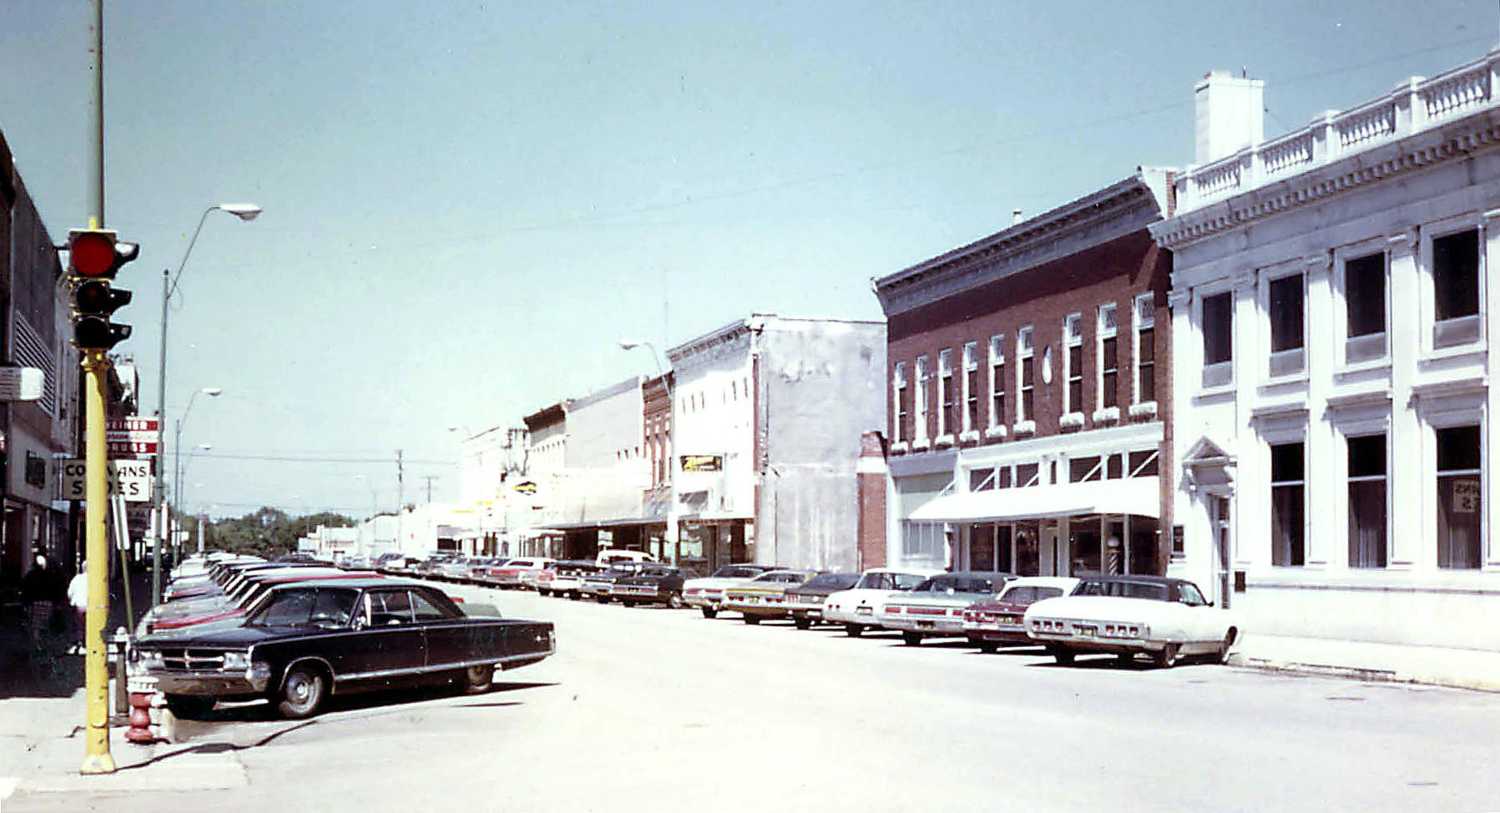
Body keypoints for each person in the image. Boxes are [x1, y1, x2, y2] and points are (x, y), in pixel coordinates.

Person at [21, 554, 56, 647]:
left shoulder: (30, 575)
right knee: (46, 624)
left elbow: (25, 589)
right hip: (47, 602)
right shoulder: (49, 575)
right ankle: (45, 643)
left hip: (34, 602)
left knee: (35, 625)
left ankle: (37, 644)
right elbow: (54, 588)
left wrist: (25, 603)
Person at [67, 567, 89, 656]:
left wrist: (72, 600)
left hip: (79, 604)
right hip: (90, 605)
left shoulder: (76, 578)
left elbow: (70, 592)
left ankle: (80, 644)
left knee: (79, 625)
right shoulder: (94, 579)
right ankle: (87, 644)